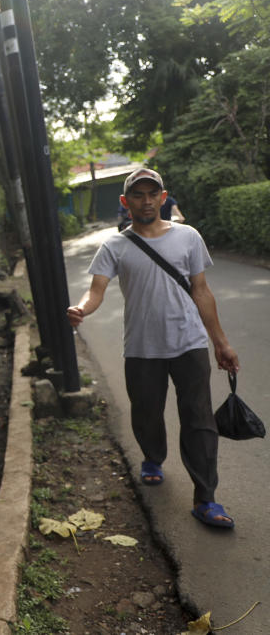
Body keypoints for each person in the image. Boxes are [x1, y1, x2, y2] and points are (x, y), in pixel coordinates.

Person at [67, 167, 240, 529]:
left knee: (199, 419)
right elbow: (96, 290)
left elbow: (202, 291)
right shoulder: (114, 246)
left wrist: (220, 343)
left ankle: (206, 498)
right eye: (138, 195)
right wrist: (82, 308)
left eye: (152, 194)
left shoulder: (188, 237)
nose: (145, 201)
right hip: (142, 347)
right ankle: (152, 456)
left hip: (189, 343)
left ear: (163, 198)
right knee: (146, 412)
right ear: (125, 201)